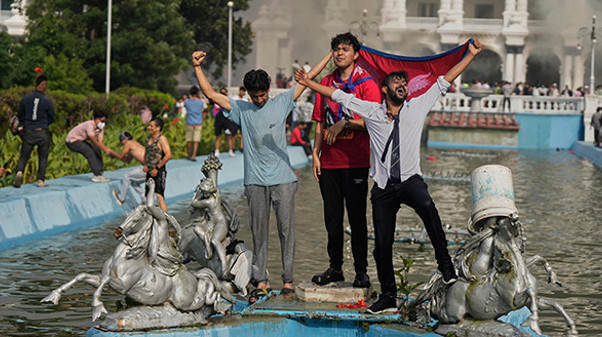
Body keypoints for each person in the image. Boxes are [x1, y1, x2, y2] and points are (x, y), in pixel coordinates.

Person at [295, 38, 483, 314]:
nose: (402, 85)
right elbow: (337, 96)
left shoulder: (417, 106)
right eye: (396, 82)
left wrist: (470, 55)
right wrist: (309, 84)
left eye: (404, 83)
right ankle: (388, 296)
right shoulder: (372, 111)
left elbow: (446, 78)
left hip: (410, 181)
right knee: (381, 245)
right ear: (385, 89)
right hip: (383, 187)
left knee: (429, 209)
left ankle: (445, 265)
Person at [191, 48, 332, 298]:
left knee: (286, 231)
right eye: (255, 96)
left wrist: (330, 54)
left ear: (269, 89)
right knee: (259, 233)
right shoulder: (242, 110)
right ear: (248, 94)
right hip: (255, 182)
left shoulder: (282, 102)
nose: (259, 100)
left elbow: (309, 79)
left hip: (284, 181)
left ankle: (288, 281)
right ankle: (261, 281)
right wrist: (197, 67)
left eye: (263, 94)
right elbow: (210, 94)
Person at [309, 32, 381, 289]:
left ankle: (361, 270)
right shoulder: (326, 83)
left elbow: (375, 120)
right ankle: (335, 268)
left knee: (357, 218)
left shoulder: (366, 83)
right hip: (329, 162)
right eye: (336, 49)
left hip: (356, 162)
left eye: (345, 49)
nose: (340, 53)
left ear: (356, 54)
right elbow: (318, 121)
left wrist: (346, 122)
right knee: (332, 218)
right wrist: (315, 154)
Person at [13, 75, 55, 188]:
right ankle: (41, 180)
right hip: (42, 131)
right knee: (43, 156)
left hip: (28, 131)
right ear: (44, 86)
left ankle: (19, 172)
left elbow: (21, 115)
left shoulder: (25, 99)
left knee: (24, 155)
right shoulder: (47, 101)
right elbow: (52, 117)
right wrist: (44, 124)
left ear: (35, 85)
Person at [65, 110, 116, 182]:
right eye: (101, 121)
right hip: (72, 141)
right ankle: (97, 175)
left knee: (96, 150)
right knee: (89, 152)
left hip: (80, 140)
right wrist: (105, 149)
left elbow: (100, 142)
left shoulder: (101, 128)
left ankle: (100, 172)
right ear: (96, 119)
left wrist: (107, 150)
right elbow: (93, 140)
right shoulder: (89, 125)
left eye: (104, 122)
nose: (103, 123)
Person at [110, 131, 146, 206]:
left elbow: (120, 156)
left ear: (124, 139)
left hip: (148, 168)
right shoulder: (134, 144)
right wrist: (117, 156)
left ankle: (121, 199)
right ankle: (144, 200)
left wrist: (112, 153)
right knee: (133, 182)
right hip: (152, 169)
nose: (122, 144)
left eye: (122, 141)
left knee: (127, 176)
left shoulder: (128, 143)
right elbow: (127, 161)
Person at [145, 117, 172, 212]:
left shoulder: (161, 139)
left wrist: (157, 168)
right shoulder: (148, 139)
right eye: (149, 125)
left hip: (159, 171)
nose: (149, 127)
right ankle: (149, 219)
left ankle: (165, 219)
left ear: (158, 128)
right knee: (147, 195)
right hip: (149, 171)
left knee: (159, 195)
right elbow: (147, 153)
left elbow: (168, 155)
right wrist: (145, 165)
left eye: (151, 126)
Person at [213, 87, 238, 157]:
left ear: (226, 94)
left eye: (224, 93)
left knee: (228, 136)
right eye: (221, 93)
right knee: (218, 136)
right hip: (218, 120)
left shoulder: (228, 101)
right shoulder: (216, 102)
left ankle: (231, 151)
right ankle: (217, 151)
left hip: (226, 120)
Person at [184, 86, 206, 161]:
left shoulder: (186, 101)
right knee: (196, 140)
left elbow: (185, 107)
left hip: (189, 122)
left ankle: (189, 155)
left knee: (189, 139)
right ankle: (194, 155)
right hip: (198, 122)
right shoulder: (200, 102)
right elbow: (204, 108)